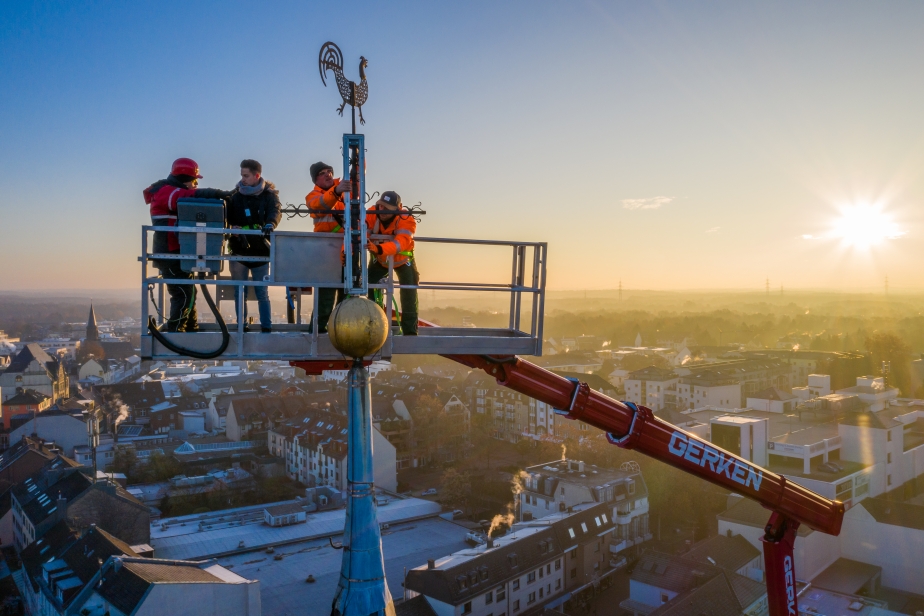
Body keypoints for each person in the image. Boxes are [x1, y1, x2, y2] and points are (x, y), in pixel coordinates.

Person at [144, 158, 232, 332]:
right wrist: (218, 193)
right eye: (194, 180)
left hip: (179, 252)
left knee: (189, 292)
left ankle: (191, 327)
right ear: (185, 177)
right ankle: (176, 331)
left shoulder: (168, 190)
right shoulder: (166, 192)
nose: (195, 185)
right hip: (169, 253)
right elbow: (184, 197)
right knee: (182, 294)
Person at [226, 159, 282, 332]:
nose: (243, 179)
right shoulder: (235, 196)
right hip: (239, 249)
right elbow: (226, 217)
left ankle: (266, 327)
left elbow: (275, 212)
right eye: (242, 175)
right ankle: (242, 325)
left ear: (256, 175)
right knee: (239, 292)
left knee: (262, 293)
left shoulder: (269, 195)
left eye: (246, 175)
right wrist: (230, 228)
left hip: (261, 251)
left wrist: (271, 223)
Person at [305, 161, 352, 332]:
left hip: (348, 249)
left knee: (347, 295)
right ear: (315, 179)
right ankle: (317, 332)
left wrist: (358, 163)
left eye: (329, 172)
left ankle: (341, 330)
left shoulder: (346, 188)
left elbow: (359, 182)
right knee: (325, 297)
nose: (327, 175)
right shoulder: (312, 196)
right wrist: (337, 191)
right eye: (322, 173)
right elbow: (320, 205)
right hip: (326, 251)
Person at [365, 191, 418, 335]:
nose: (382, 211)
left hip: (402, 261)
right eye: (381, 206)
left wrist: (379, 248)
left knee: (409, 291)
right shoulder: (371, 213)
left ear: (398, 208)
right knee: (369, 286)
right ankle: (377, 327)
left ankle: (410, 332)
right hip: (381, 260)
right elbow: (359, 231)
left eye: (387, 208)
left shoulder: (406, 219)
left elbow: (401, 243)